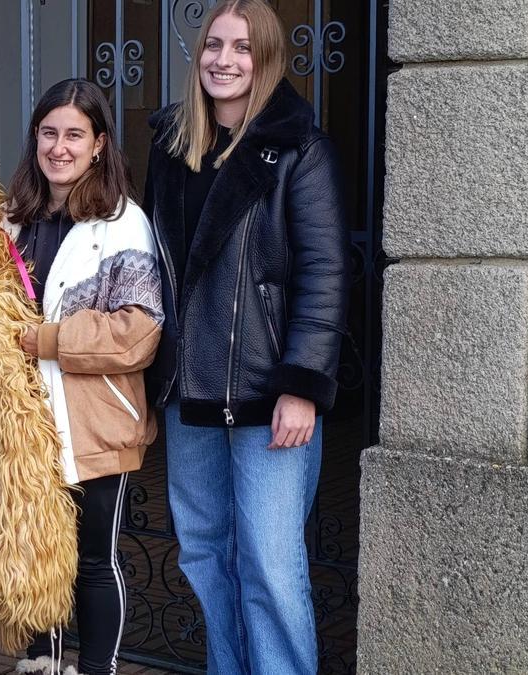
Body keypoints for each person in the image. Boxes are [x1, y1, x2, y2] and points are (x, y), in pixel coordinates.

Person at [142, 1, 349, 672]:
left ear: (265, 60)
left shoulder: (299, 149)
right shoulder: (173, 147)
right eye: (214, 45)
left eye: (241, 48)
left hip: (270, 398)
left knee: (269, 561)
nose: (224, 60)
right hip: (190, 393)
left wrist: (303, 387)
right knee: (204, 551)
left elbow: (324, 272)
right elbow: (153, 263)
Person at [5, 78, 163, 675]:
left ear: (99, 143)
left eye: (74, 134)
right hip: (25, 421)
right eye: (49, 133)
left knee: (95, 559)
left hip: (97, 422)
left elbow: (138, 332)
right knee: (35, 553)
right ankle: (40, 665)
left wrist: (45, 340)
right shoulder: (13, 220)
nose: (59, 147)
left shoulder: (122, 223)